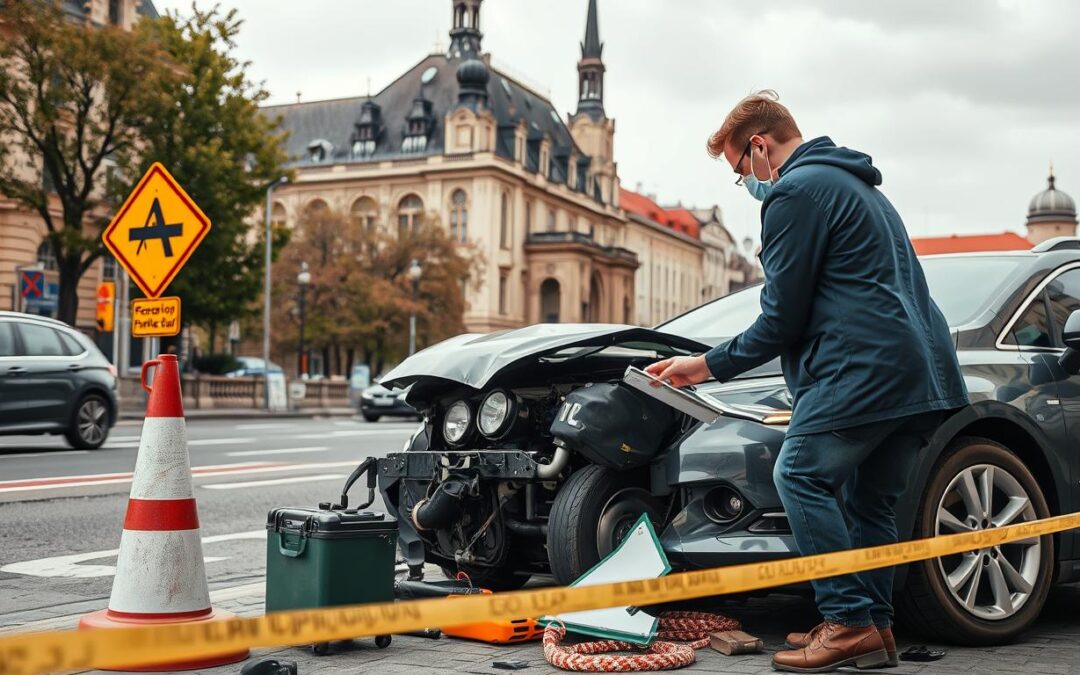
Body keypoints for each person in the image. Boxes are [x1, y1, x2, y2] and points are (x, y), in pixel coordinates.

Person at [645, 90, 968, 673]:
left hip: (862, 370)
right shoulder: (862, 188)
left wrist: (703, 365)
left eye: (740, 171)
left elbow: (780, 319)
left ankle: (846, 622)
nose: (746, 184)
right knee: (869, 501)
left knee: (798, 475)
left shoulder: (794, 192)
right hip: (922, 373)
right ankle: (875, 628)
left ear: (761, 147)